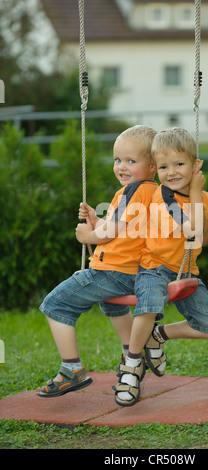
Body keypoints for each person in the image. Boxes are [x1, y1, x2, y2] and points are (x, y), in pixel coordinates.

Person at [37, 125, 157, 397]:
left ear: (152, 166)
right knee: (113, 305)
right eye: (117, 160)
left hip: (112, 272)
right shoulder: (151, 192)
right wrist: (96, 219)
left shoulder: (131, 192)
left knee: (55, 305)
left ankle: (72, 370)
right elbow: (122, 229)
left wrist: (87, 235)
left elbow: (111, 232)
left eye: (131, 161)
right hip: (133, 272)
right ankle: (132, 358)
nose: (121, 167)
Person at [113, 127, 208, 406]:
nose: (171, 172)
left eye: (179, 164)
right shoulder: (160, 196)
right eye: (163, 166)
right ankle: (131, 367)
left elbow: (206, 236)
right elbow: (193, 230)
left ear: (195, 165)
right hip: (153, 269)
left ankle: (158, 335)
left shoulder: (205, 198)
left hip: (186, 273)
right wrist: (197, 193)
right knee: (149, 306)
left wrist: (198, 194)